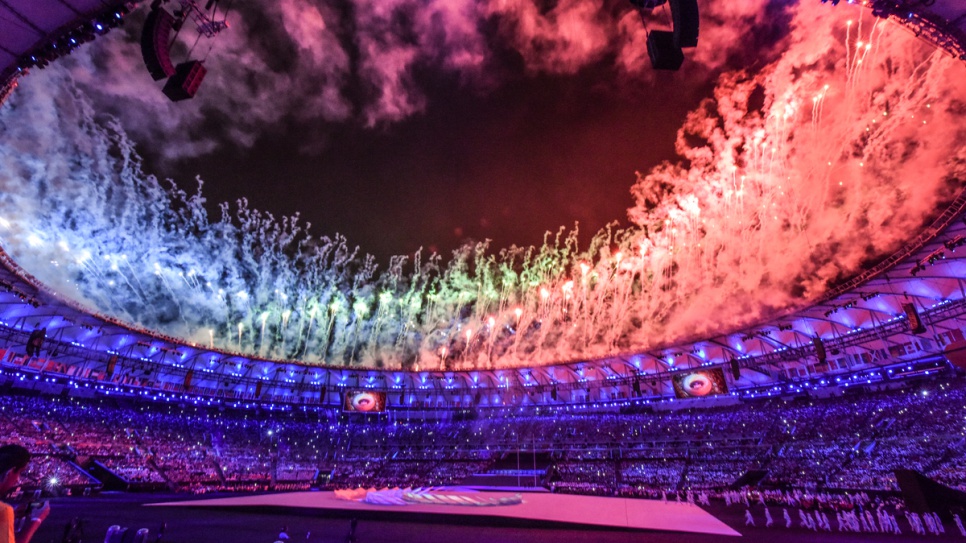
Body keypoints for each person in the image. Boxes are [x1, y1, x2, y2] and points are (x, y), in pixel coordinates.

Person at [1, 444, 50, 543]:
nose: (18, 479)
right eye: (19, 472)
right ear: (10, 472)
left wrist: (12, 515)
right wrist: (36, 520)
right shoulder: (4, 511)